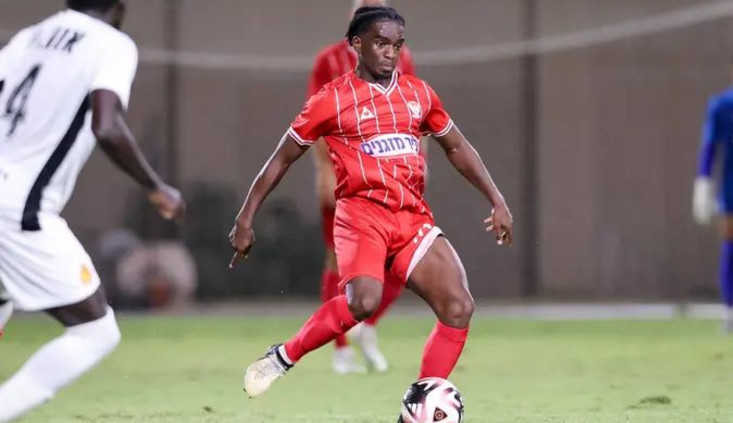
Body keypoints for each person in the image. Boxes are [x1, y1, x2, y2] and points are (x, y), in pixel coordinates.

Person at [229, 6, 513, 408]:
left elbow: (456, 147)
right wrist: (246, 217)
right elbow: (281, 158)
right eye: (380, 43)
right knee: (363, 302)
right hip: (361, 218)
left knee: (458, 306)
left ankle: (418, 408)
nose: (390, 52)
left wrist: (497, 199)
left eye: (397, 45)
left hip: (411, 216)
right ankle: (282, 357)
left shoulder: (419, 94)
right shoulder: (331, 99)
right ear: (356, 44)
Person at [0, 0, 185, 420]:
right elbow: (107, 126)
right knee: (95, 331)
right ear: (120, 6)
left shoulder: (30, 36)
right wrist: (156, 188)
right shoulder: (111, 44)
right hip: (18, 208)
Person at [309, 0, 417, 374]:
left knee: (404, 259)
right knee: (338, 261)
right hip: (346, 176)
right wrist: (324, 169)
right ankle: (341, 349)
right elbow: (315, 117)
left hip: (390, 178)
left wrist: (419, 165)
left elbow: (414, 112)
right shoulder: (329, 60)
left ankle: (367, 327)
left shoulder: (402, 58)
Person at [693, 48, 733, 334]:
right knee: (732, 248)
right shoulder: (722, 105)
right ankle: (729, 312)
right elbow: (710, 146)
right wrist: (703, 183)